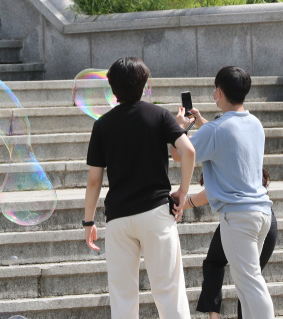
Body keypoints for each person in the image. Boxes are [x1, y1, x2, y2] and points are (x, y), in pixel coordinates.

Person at [83, 57, 196, 319]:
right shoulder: (158, 114)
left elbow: (94, 181)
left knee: (122, 298)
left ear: (112, 88)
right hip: (156, 213)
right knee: (169, 291)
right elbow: (188, 151)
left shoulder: (102, 125)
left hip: (119, 218)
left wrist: (88, 220)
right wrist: (183, 191)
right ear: (144, 86)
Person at [174, 66, 274, 319]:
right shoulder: (254, 123)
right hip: (262, 213)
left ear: (218, 91)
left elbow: (179, 154)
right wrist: (203, 123)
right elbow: (229, 139)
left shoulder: (215, 130)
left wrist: (180, 128)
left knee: (251, 284)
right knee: (247, 284)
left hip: (237, 217)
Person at [181, 166, 277, 319]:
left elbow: (184, 153)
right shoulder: (248, 149)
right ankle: (214, 314)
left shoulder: (226, 152)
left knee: (248, 282)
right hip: (265, 217)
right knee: (247, 282)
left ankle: (214, 315)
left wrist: (183, 203)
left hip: (242, 218)